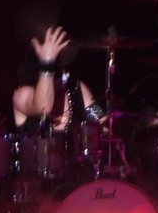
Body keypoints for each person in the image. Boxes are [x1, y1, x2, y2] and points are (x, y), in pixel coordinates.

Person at [12, 24, 106, 176]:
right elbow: (43, 107)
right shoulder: (22, 94)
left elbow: (103, 125)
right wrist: (47, 62)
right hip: (36, 179)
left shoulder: (76, 88)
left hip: (78, 176)